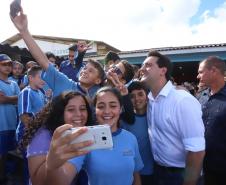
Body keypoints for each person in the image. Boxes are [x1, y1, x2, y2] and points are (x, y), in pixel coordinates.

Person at [44, 87, 143, 185]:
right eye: (101, 106)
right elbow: (62, 181)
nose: (107, 111)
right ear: (95, 110)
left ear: (120, 109)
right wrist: (52, 166)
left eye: (113, 106)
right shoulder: (85, 140)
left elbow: (135, 174)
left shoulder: (131, 138)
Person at [139, 50, 205, 185]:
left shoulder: (182, 101)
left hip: (181, 175)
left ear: (163, 70)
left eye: (148, 65)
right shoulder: (151, 100)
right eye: (142, 65)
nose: (141, 69)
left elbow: (197, 151)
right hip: (158, 172)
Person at [11, 10, 105, 99]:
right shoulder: (63, 82)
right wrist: (24, 31)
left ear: (98, 81)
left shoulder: (98, 101)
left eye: (91, 71)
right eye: (85, 68)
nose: (85, 71)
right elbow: (43, 61)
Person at [20, 91, 92, 185]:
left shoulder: (85, 133)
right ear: (60, 112)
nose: (78, 114)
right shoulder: (43, 135)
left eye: (82, 109)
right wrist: (51, 164)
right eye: (70, 109)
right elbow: (36, 182)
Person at [197, 56, 226, 185]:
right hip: (200, 166)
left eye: (201, 71)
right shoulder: (201, 97)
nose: (198, 76)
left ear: (213, 70)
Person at [121, 81, 154, 185]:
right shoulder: (123, 121)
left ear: (147, 96)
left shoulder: (155, 116)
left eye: (140, 94)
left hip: (153, 172)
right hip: (130, 173)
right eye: (132, 96)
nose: (137, 99)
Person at [0, 54, 20, 184]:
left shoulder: (14, 83)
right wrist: (14, 98)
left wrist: (7, 98)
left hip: (13, 125)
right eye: (4, 64)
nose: (8, 67)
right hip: (1, 126)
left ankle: (6, 177)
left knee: (10, 154)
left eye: (9, 64)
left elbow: (20, 98)